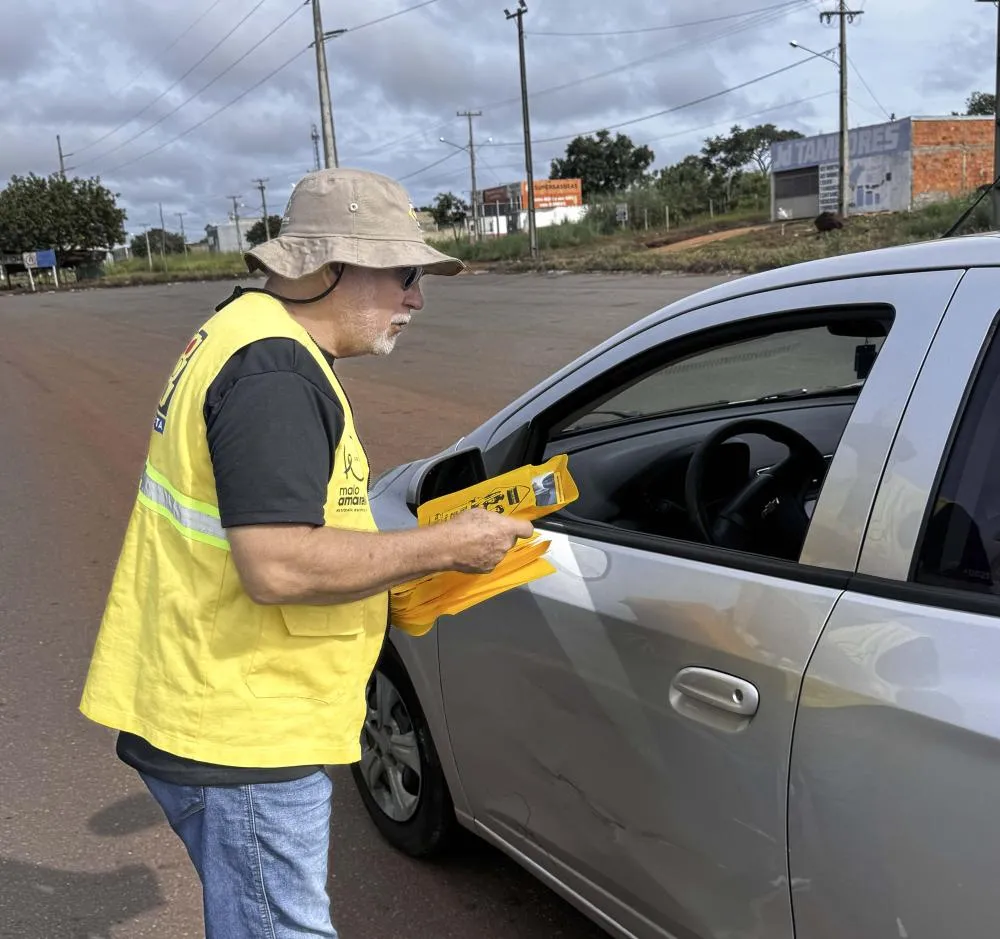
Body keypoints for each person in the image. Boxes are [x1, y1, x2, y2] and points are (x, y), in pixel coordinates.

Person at [79, 167, 532, 938]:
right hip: (241, 729)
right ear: (324, 268)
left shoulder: (244, 332)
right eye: (403, 272)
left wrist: (393, 573)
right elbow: (279, 564)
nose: (416, 297)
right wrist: (444, 545)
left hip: (212, 701)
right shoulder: (275, 371)